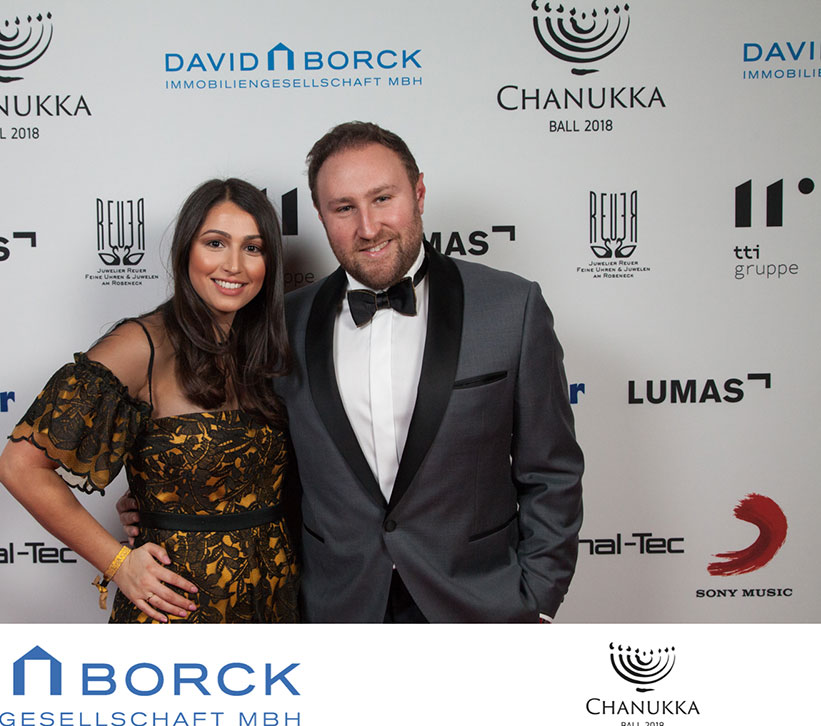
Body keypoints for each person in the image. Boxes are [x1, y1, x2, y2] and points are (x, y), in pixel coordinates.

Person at [123, 122, 584, 623]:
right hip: (334, 609)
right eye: (344, 208)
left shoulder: (511, 307)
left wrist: (539, 601)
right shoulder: (283, 323)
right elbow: (255, 451)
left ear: (419, 193)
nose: (368, 227)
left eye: (383, 199)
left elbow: (550, 471)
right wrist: (164, 496)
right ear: (320, 215)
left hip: (478, 607)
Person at [0, 178, 298, 623]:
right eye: (215, 243)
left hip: (273, 601)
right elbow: (19, 468)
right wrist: (117, 562)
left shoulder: (262, 348)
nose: (234, 265)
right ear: (186, 250)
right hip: (179, 610)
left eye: (252, 248)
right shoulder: (141, 345)